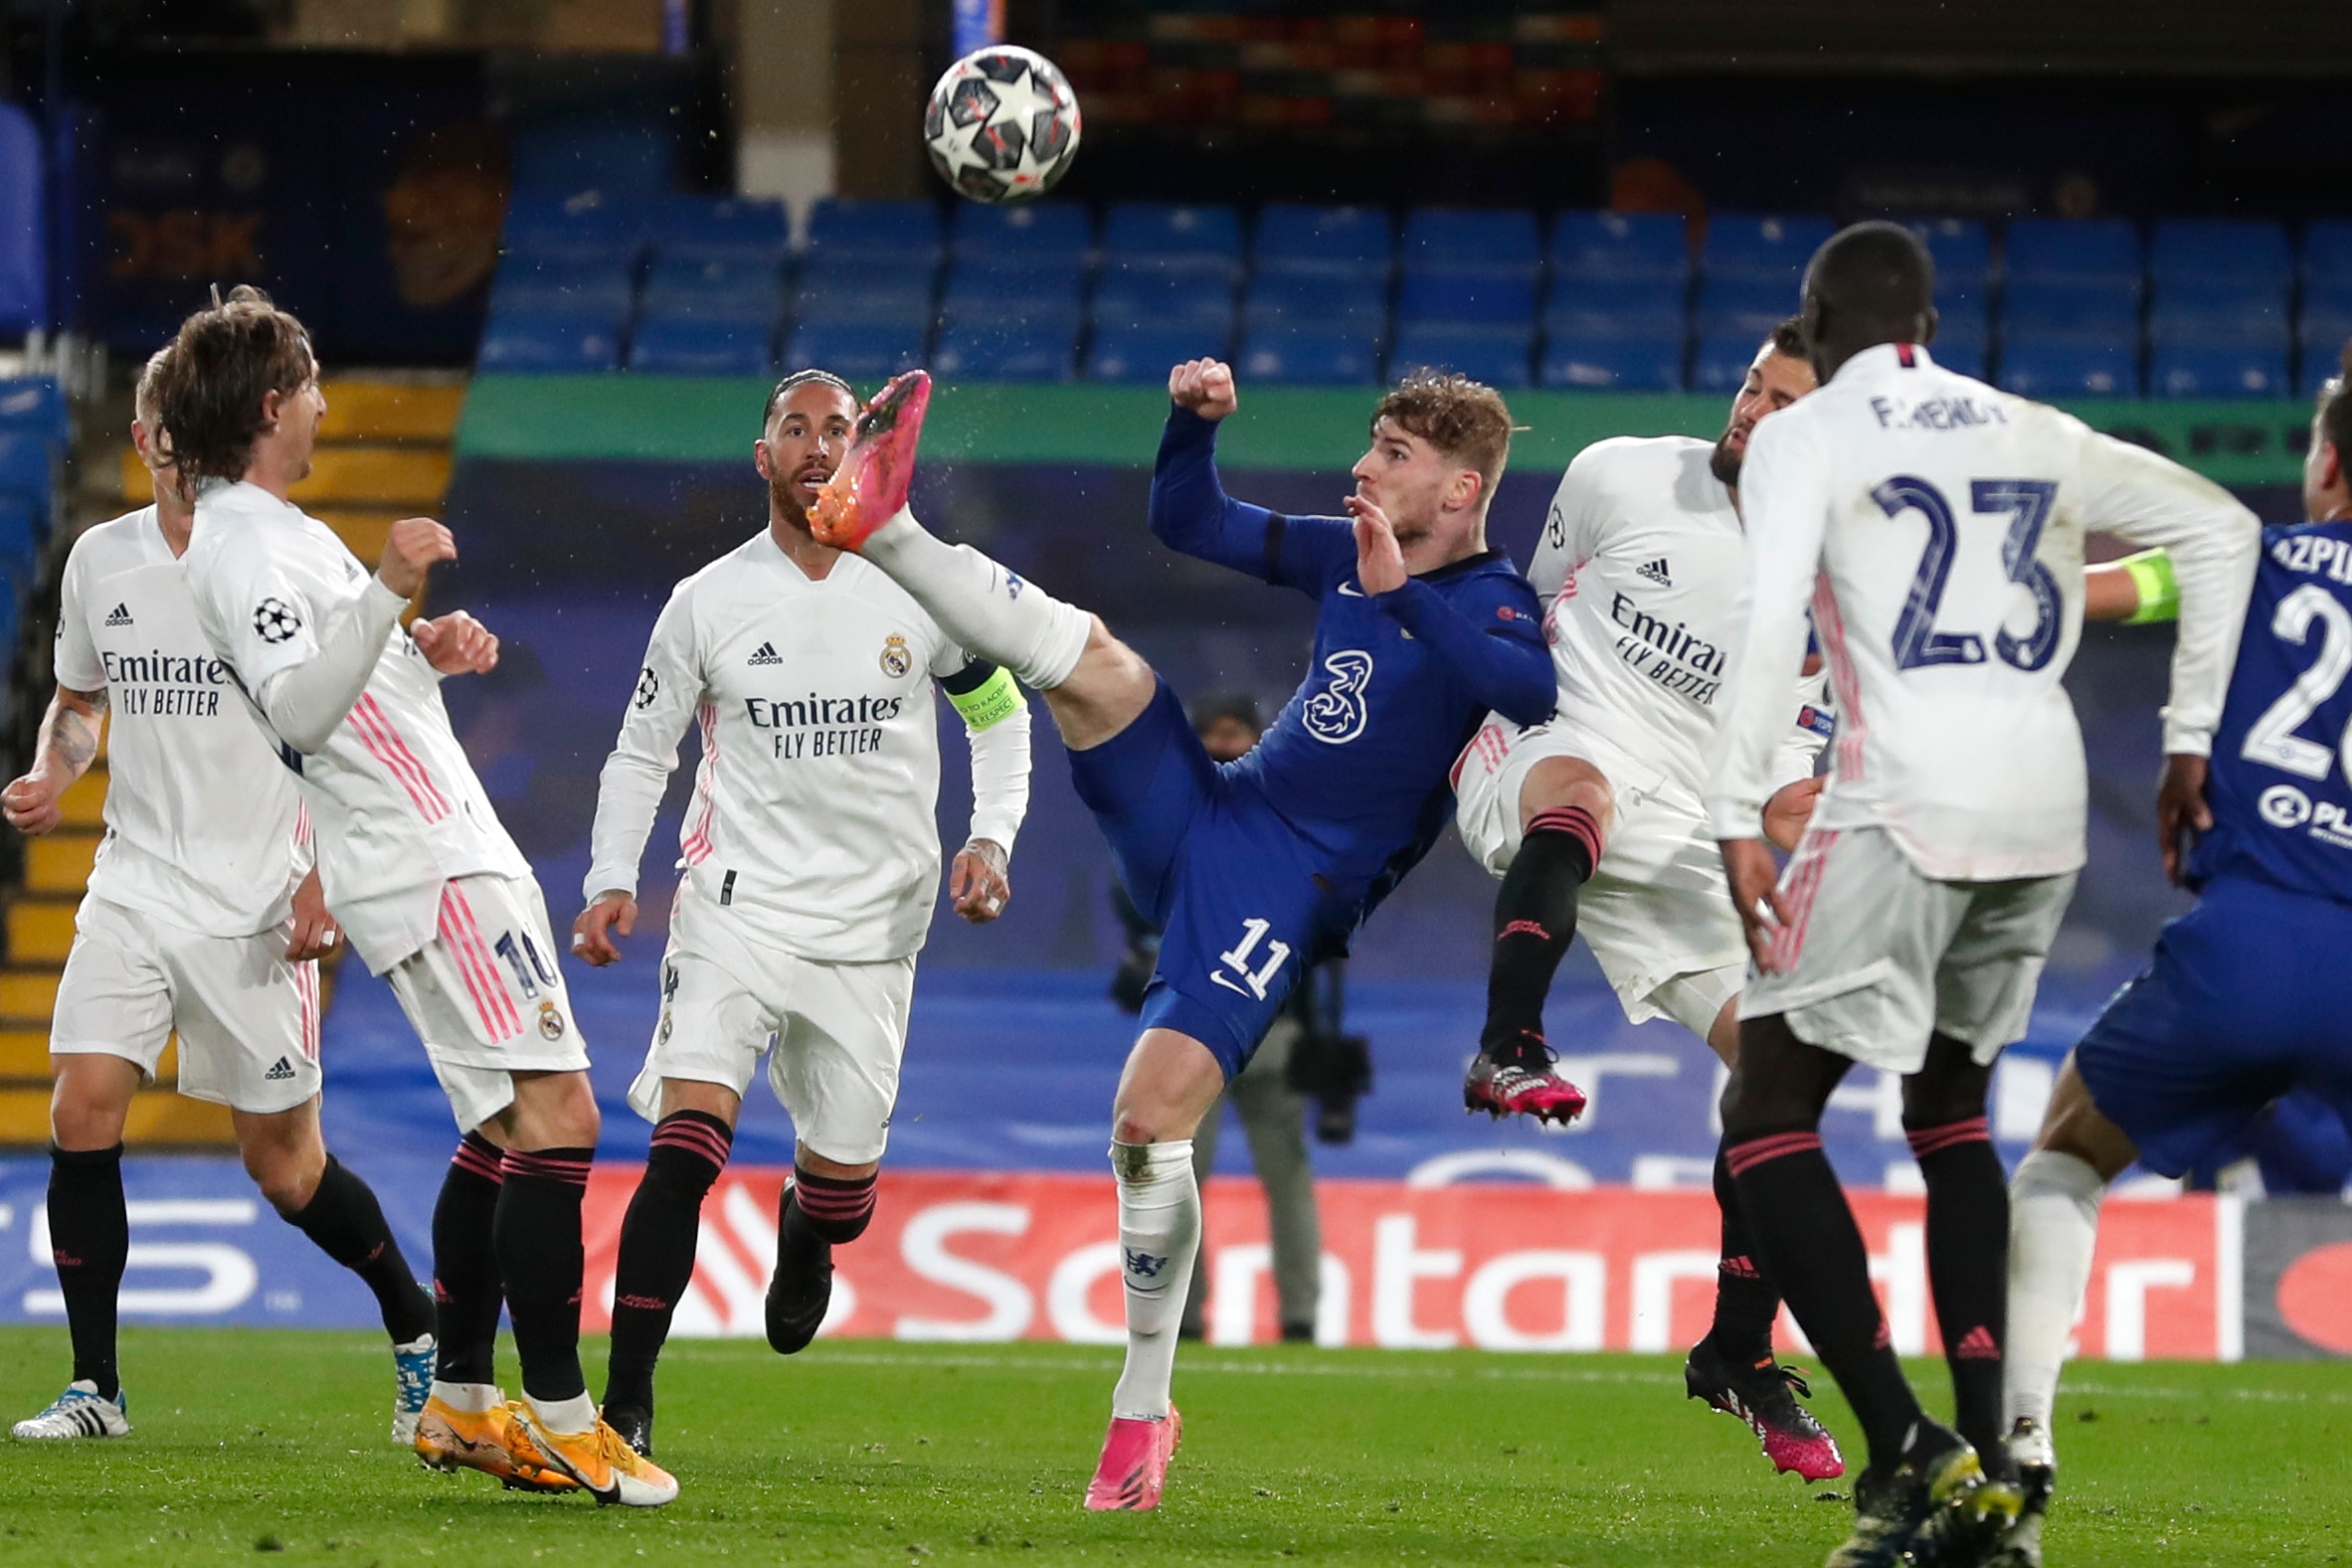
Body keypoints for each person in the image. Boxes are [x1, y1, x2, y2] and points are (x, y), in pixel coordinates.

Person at [808, 359, 1553, 1510]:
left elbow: (1526, 685)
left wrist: (1400, 589)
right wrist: (1187, 425)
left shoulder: (1490, 595)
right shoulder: (1348, 550)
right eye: (1371, 442)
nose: (1361, 465)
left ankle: (1141, 1406)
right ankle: (885, 527)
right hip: (1220, 805)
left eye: (1392, 455)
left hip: (1287, 886)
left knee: (1147, 1121)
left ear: (1459, 490)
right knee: (1097, 665)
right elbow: (1185, 517)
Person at [1702, 224, 2259, 1568]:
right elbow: (2223, 528)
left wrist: (1734, 811)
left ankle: (1903, 1450)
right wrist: (2189, 740)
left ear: (1817, 319)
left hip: (1903, 793)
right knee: (1950, 1116)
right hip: (2045, 806)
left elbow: (1774, 608)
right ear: (1931, 324)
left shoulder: (1810, 430)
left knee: (1765, 1111)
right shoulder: (2032, 424)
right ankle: (1996, 1477)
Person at [165, 287, 672, 1506]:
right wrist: (389, 590)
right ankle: (560, 1416)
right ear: (274, 403)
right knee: (559, 1118)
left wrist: (418, 644)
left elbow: (336, 681)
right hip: (427, 856)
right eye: (316, 381)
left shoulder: (273, 532)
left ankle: (456, 1396)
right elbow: (294, 709)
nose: (330, 400)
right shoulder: (238, 545)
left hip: (424, 844)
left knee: (503, 1130)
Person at [572, 369, 1033, 1458]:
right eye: (796, 428)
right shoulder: (708, 599)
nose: (819, 445)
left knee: (841, 1188)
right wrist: (609, 876)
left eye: (838, 427)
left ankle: (808, 1229)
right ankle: (625, 1404)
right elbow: (644, 749)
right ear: (764, 455)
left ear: (861, 447)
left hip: (875, 927)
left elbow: (1000, 711)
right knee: (684, 1144)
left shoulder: (920, 585)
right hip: (735, 903)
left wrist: (991, 835)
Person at [5, 348, 436, 1444]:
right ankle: (95, 1386)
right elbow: (78, 699)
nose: (158, 436)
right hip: (135, 877)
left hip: (258, 897)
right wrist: (57, 767)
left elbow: (360, 714)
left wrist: (326, 873)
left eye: (171, 418)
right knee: (82, 1101)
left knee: (286, 1167)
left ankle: (416, 1327)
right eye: (146, 421)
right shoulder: (103, 560)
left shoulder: (284, 558)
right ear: (143, 437)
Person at [1449, 320, 1841, 1481]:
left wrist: (1798, 809)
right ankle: (1506, 1041)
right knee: (1578, 796)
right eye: (1749, 386)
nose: (1748, 412)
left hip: (1684, 812)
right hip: (1548, 742)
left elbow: (1775, 762)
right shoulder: (1621, 471)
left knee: (1782, 1061)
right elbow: (1515, 613)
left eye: (1781, 404)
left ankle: (1735, 1349)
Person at [1998, 365, 2352, 1568]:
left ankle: (2020, 1449)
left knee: (2063, 1157)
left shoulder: (2243, 559)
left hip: (2247, 937)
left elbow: (2099, 594)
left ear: (2327, 466)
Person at [1106, 693, 1322, 1346]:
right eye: (1217, 733)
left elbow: (1135, 895)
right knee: (1233, 1178)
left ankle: (1239, 1317)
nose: (1226, 744)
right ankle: (1265, 1317)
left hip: (1218, 1025)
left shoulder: (1178, 816)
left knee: (1186, 1177)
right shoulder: (1284, 817)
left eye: (1233, 733)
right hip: (1251, 1019)